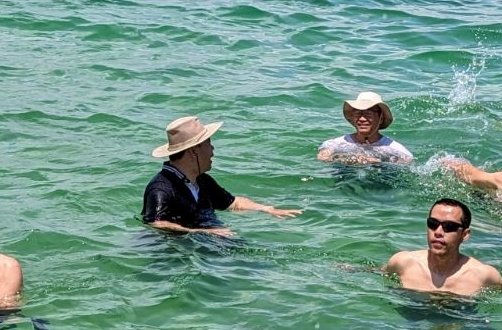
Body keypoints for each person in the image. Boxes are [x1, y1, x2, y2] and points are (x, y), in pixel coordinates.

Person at [141, 115, 302, 237]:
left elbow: (232, 203)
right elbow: (157, 224)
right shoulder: (161, 189)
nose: (212, 150)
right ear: (194, 150)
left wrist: (267, 209)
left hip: (209, 242)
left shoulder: (202, 181)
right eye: (208, 144)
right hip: (177, 254)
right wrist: (201, 232)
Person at [380, 199, 502, 297]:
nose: (438, 232)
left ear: (465, 235)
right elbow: (377, 273)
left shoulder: (483, 276)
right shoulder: (403, 263)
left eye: (449, 226)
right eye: (433, 224)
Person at [317, 90, 414, 164]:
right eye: (358, 113)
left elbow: (408, 162)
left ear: (380, 119)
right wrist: (345, 158)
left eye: (368, 114)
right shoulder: (338, 143)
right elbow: (322, 157)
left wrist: (378, 162)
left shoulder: (393, 148)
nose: (362, 118)